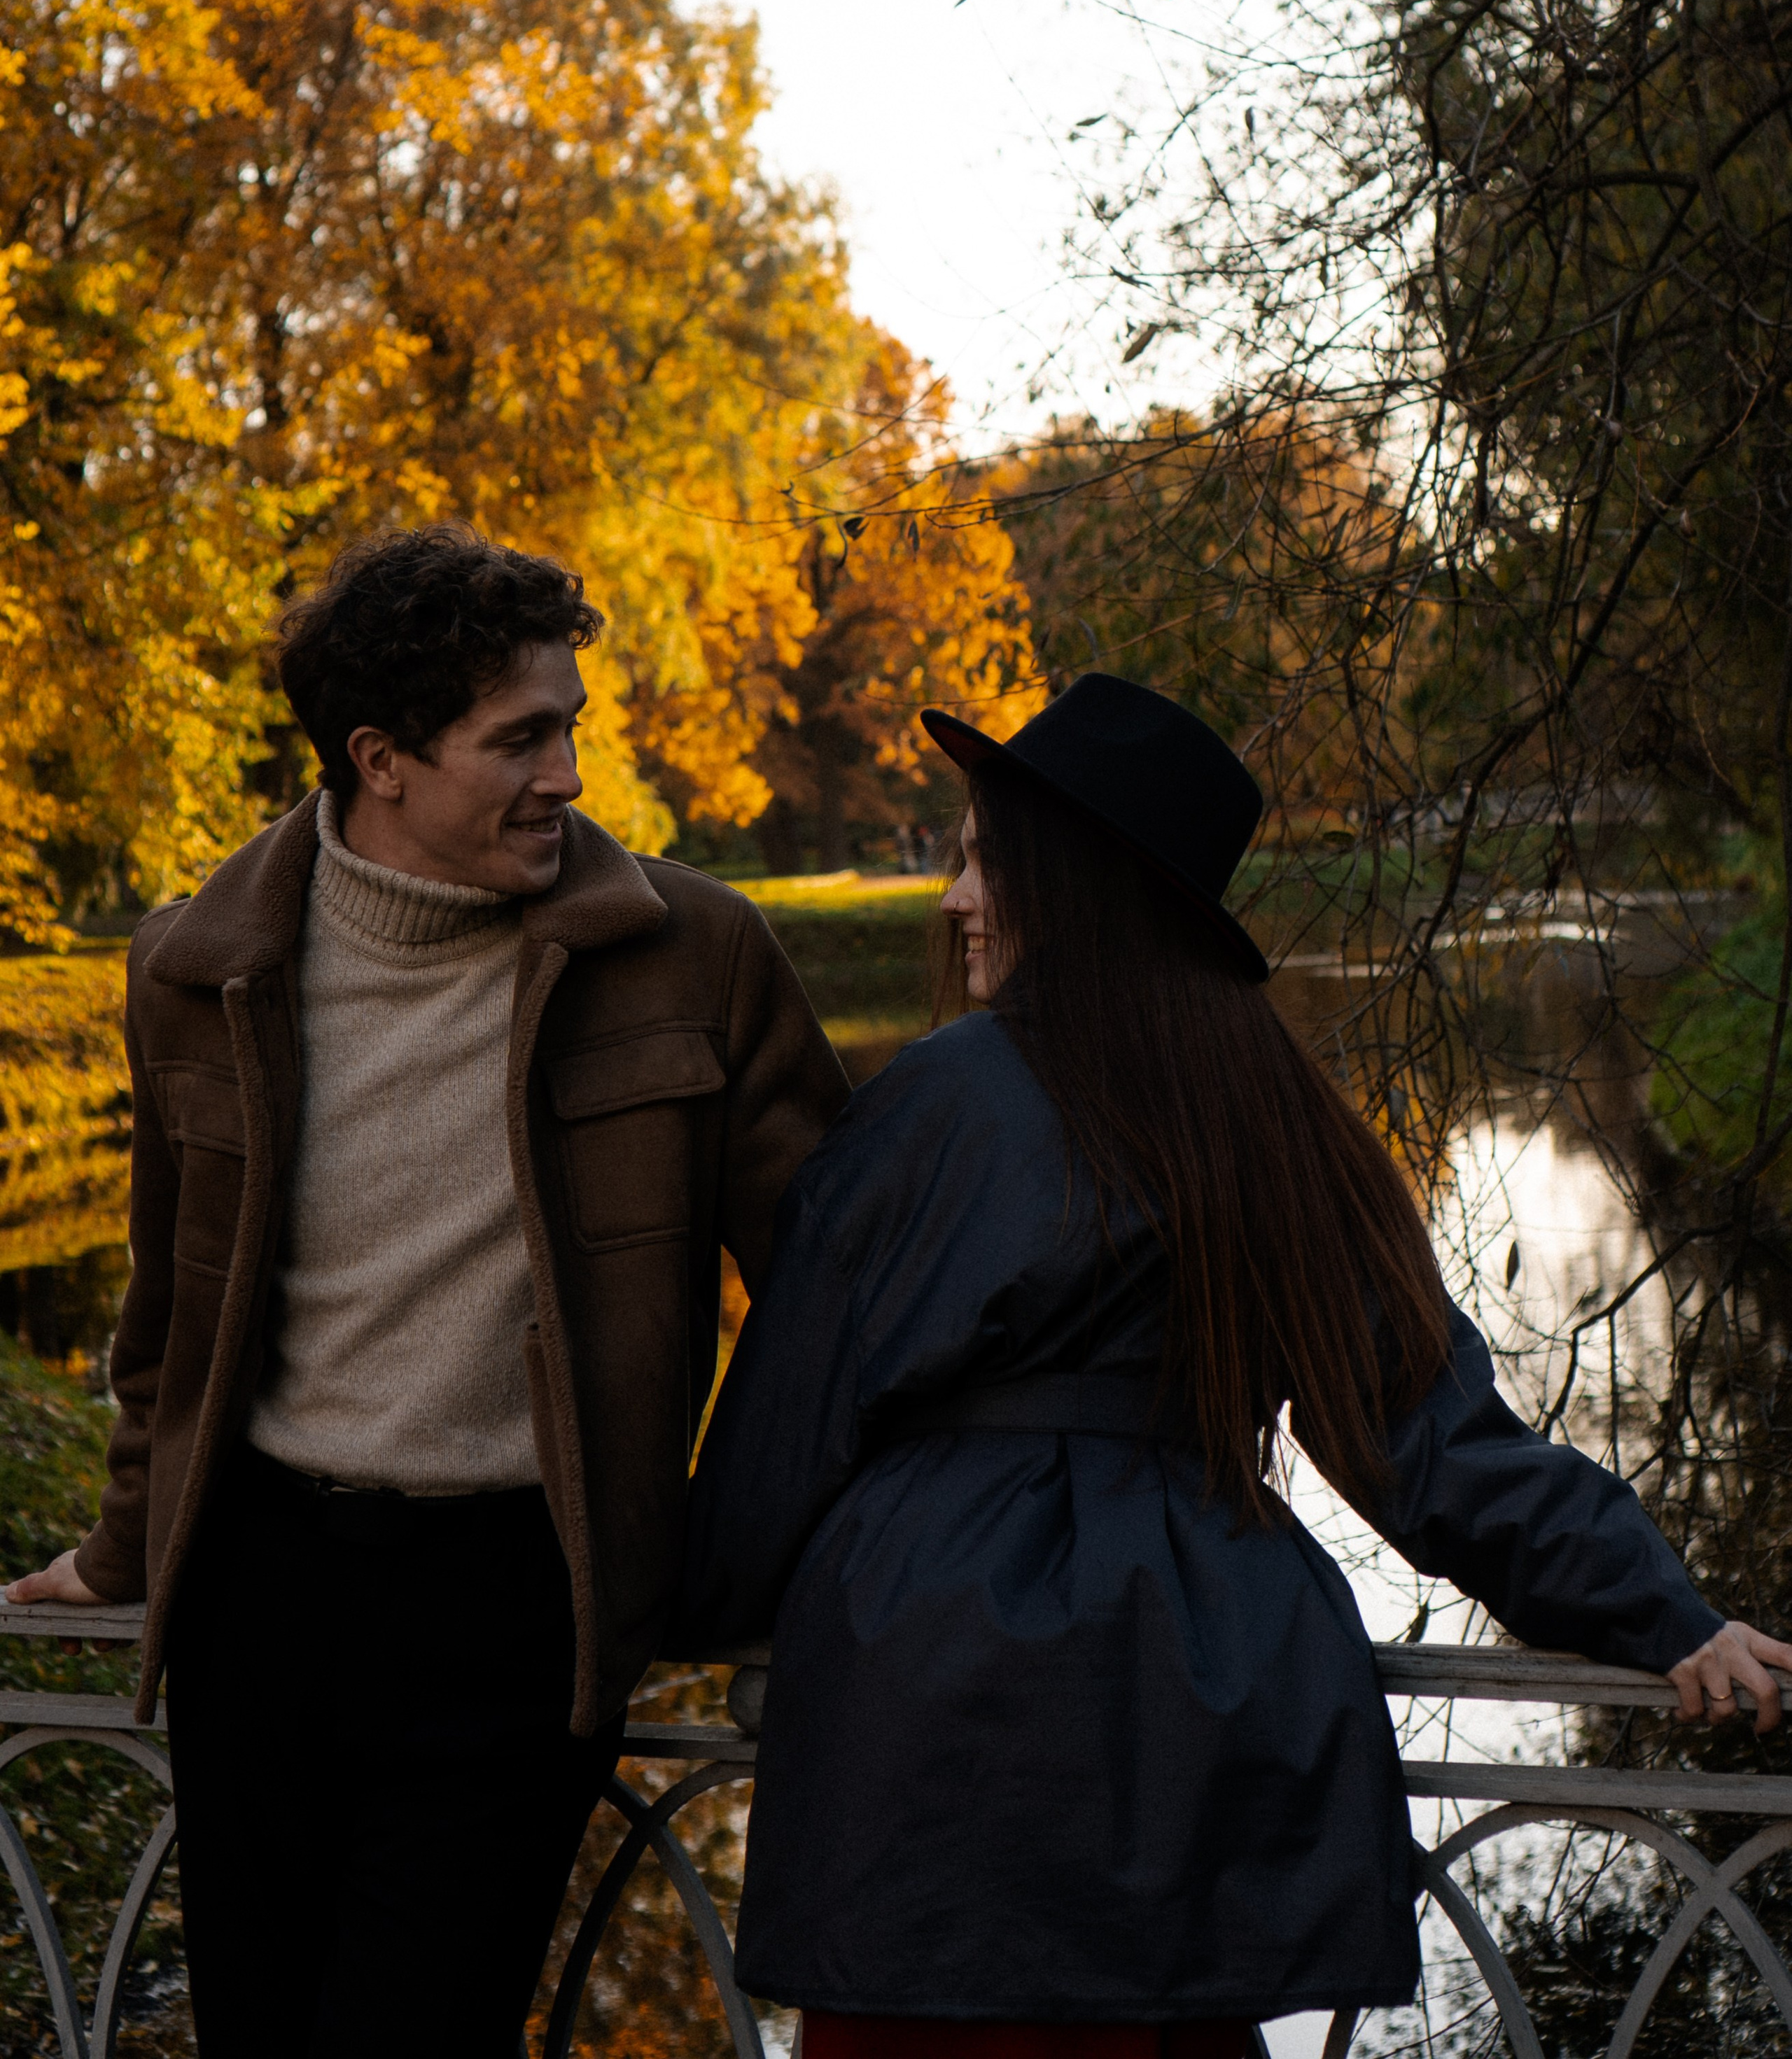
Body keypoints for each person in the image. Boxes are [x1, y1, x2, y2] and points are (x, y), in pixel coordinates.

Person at [679, 673, 1792, 2058]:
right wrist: (1653, 1610)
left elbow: (791, 1419)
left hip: (928, 1727)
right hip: (1189, 1719)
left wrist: (674, 1613)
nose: (953, 901)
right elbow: (1427, 1433)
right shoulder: (1274, 1110)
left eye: (978, 860)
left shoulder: (929, 1104)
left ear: (1062, 884)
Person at [6, 525, 848, 2059]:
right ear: (379, 760)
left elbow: (835, 1303)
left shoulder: (692, 955)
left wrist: (739, 1558)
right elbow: (168, 1309)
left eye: (569, 726)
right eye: (520, 739)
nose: (569, 775)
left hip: (519, 1609)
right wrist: (130, 1540)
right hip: (257, 1601)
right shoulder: (198, 966)